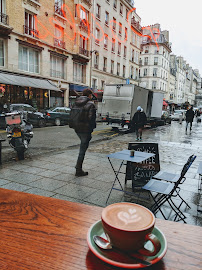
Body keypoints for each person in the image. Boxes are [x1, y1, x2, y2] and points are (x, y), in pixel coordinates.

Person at [71, 89, 96, 177]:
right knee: (82, 149)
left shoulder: (76, 102)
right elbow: (91, 119)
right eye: (91, 95)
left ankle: (78, 167)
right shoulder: (91, 104)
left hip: (77, 128)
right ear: (89, 95)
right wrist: (91, 129)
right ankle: (78, 169)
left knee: (83, 146)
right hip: (85, 129)